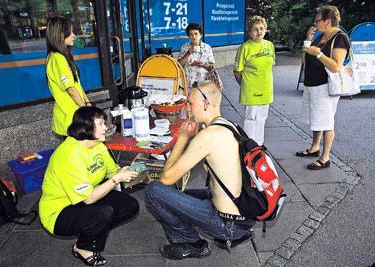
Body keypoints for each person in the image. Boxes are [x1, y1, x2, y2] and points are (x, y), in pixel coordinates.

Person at [145, 81, 255, 260]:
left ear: (206, 104)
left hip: (228, 224)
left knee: (154, 191)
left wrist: (182, 139)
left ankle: (192, 243)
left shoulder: (207, 136)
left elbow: (166, 178)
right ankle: (233, 234)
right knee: (175, 194)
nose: (187, 108)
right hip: (243, 214)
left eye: (190, 103)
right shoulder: (230, 125)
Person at [39, 106, 139, 266]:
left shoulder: (97, 144)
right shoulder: (69, 155)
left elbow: (112, 172)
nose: (106, 127)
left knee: (130, 205)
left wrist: (134, 170)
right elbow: (90, 198)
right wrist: (116, 179)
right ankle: (82, 248)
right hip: (58, 211)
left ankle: (93, 231)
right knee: (103, 214)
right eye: (101, 124)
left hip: (84, 197)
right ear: (86, 127)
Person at [296, 5, 349, 170]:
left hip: (326, 86)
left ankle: (325, 158)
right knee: (316, 118)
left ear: (327, 20)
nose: (314, 22)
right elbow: (306, 60)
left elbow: (336, 66)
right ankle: (314, 147)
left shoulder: (339, 38)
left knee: (326, 122)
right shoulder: (320, 36)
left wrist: (318, 53)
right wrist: (309, 40)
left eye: (317, 19)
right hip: (312, 84)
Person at [46, 17, 91, 138]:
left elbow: (76, 85)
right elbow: (70, 90)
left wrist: (87, 103)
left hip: (75, 117)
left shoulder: (62, 57)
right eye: (69, 33)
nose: (74, 36)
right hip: (70, 119)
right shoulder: (57, 58)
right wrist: (86, 111)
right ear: (59, 35)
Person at [233, 16, 275, 146]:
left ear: (265, 29)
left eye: (261, 28)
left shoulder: (269, 45)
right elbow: (237, 71)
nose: (259, 31)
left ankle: (259, 145)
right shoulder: (245, 48)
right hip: (250, 89)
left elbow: (270, 66)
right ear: (250, 32)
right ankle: (249, 146)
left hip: (266, 88)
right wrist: (245, 85)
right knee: (250, 118)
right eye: (255, 29)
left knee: (262, 118)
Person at [178, 23, 215, 90]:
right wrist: (188, 53)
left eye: (196, 34)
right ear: (188, 36)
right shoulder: (185, 47)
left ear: (200, 35)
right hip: (187, 84)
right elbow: (179, 65)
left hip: (202, 85)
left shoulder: (207, 47)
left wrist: (203, 64)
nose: (193, 37)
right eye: (191, 34)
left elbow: (211, 66)